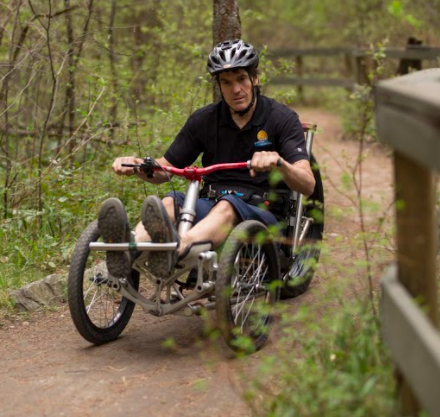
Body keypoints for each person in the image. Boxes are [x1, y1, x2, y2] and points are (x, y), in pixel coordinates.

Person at [98, 39, 315, 279]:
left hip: (261, 212)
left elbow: (307, 183)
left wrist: (280, 163)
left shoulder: (281, 118)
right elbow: (165, 170)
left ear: (255, 78)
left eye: (241, 79)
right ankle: (129, 249)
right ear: (219, 86)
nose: (236, 90)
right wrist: (137, 165)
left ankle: (178, 248)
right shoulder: (204, 120)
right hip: (210, 206)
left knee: (228, 206)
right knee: (170, 202)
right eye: (226, 82)